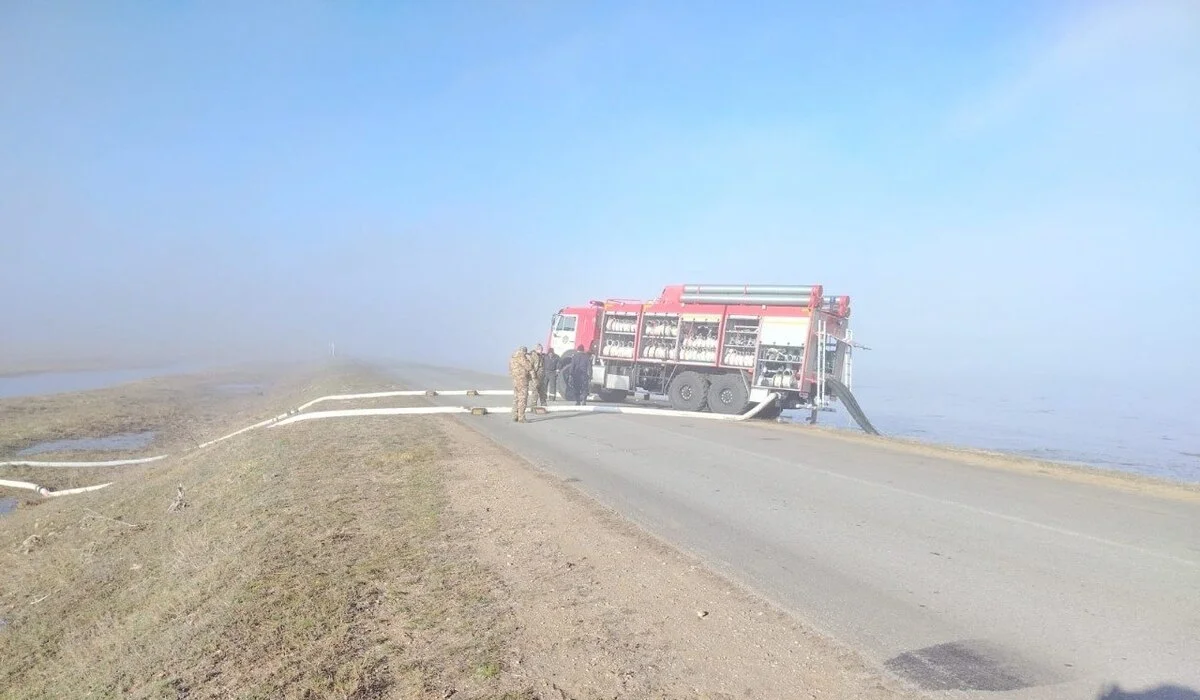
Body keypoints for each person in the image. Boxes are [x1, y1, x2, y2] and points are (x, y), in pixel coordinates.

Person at [508, 345, 532, 422]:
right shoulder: (522, 357)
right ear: (524, 351)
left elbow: (510, 369)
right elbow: (529, 367)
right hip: (522, 381)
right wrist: (529, 359)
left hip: (515, 380)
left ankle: (515, 415)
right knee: (522, 399)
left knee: (516, 398)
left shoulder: (513, 357)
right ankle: (521, 418)